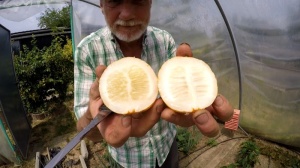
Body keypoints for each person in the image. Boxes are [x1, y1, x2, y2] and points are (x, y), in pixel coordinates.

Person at [74, 0, 234, 167]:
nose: (127, 14)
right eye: (114, 1)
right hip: (127, 161)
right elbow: (85, 130)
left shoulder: (164, 40)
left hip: (166, 149)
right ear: (101, 4)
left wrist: (189, 108)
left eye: (139, 1)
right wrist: (93, 117)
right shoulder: (87, 51)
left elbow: (176, 84)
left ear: (150, 3)